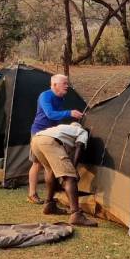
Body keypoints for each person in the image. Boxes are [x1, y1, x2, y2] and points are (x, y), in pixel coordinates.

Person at [26, 74, 84, 204]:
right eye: (64, 83)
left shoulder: (61, 98)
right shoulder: (45, 96)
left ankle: (50, 196)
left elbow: (56, 117)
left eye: (67, 83)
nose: (67, 86)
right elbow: (50, 114)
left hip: (52, 135)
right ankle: (32, 193)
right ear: (54, 85)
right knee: (37, 163)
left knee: (49, 167)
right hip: (39, 133)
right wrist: (70, 113)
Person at [32, 122, 99, 227]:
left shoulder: (61, 129)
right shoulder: (82, 131)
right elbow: (79, 146)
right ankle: (76, 214)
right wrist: (73, 168)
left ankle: (49, 204)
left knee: (50, 171)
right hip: (49, 141)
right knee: (70, 177)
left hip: (36, 140)